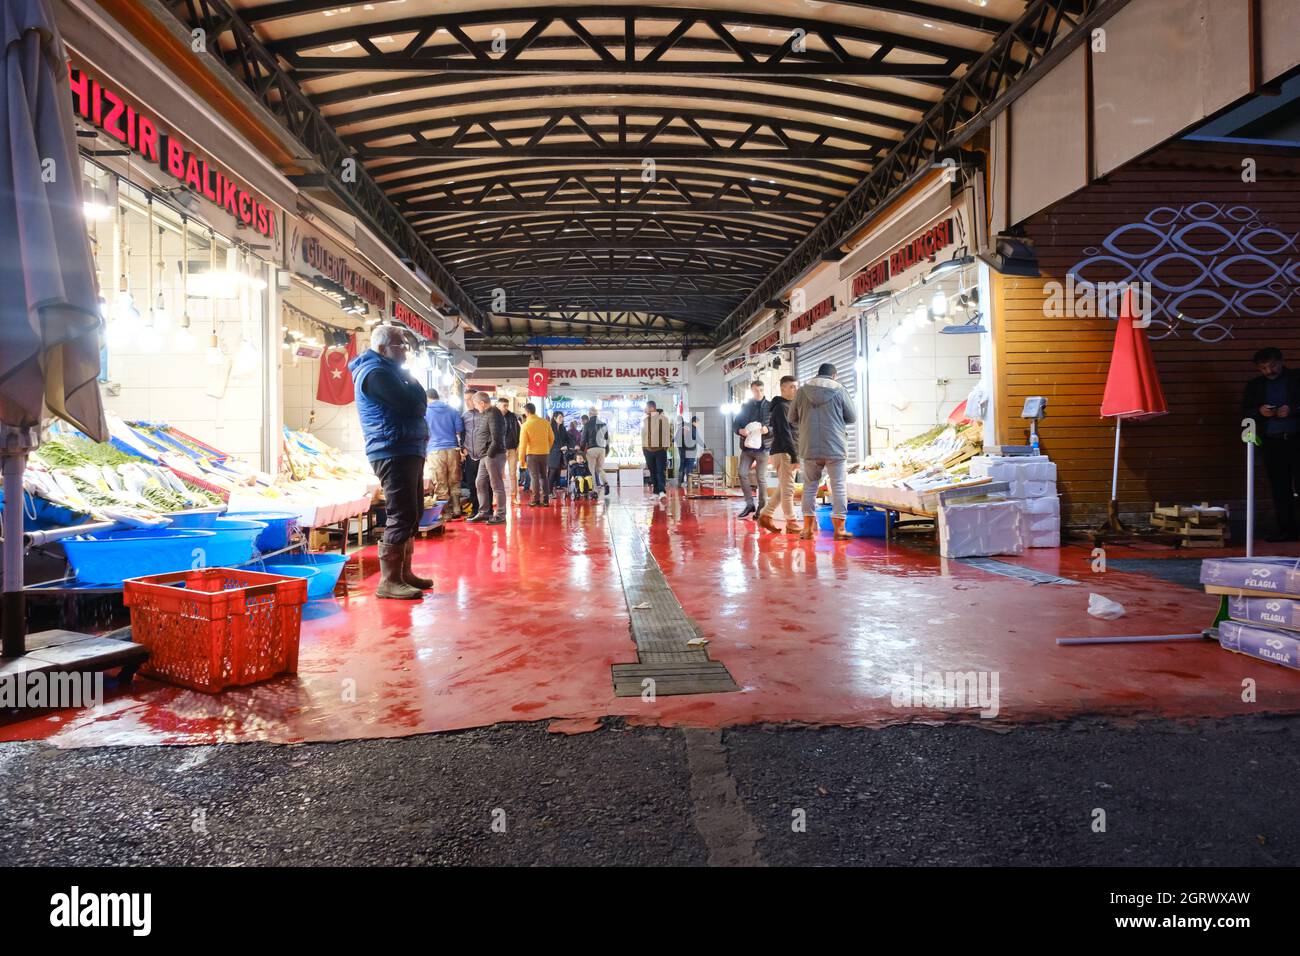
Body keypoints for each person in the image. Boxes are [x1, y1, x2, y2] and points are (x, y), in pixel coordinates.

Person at [348, 326, 431, 599]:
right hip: (392, 449)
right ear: (383, 348)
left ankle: (403, 573)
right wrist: (415, 387)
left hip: (406, 448)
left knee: (413, 512)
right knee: (401, 514)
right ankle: (389, 581)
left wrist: (413, 389)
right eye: (400, 346)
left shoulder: (389, 371)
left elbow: (415, 403)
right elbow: (414, 406)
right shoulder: (376, 374)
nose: (405, 351)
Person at [789, 362, 857, 541]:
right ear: (834, 376)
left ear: (817, 374)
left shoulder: (802, 391)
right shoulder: (840, 389)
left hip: (809, 446)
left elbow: (791, 418)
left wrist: (807, 422)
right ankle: (839, 530)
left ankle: (808, 530)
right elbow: (852, 417)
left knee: (810, 487)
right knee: (838, 487)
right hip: (835, 446)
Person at [1244, 347, 1300, 541]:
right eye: (1264, 368)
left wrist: (1292, 409)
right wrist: (1260, 412)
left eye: (1273, 365)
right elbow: (1245, 414)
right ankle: (1286, 529)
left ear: (1281, 361)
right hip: (1272, 443)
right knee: (1279, 488)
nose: (1269, 371)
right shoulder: (1255, 386)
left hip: (1296, 438)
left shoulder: (1296, 379)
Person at [758, 376, 800, 534]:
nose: (795, 390)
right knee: (788, 489)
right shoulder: (781, 407)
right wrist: (795, 456)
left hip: (788, 451)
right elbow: (784, 434)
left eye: (796, 387)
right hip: (784, 452)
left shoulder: (791, 405)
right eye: (791, 387)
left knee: (783, 488)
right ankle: (791, 522)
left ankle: (766, 515)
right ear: (782, 389)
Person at [424, 388, 464, 520]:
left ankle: (445, 513)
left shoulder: (425, 412)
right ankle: (457, 508)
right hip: (453, 449)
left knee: (440, 482)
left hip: (435, 451)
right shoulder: (452, 410)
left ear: (427, 398)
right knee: (454, 479)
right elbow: (459, 430)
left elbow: (424, 433)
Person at [734, 380, 772, 519]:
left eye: (761, 390)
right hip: (747, 448)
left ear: (763, 390)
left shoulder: (770, 406)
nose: (758, 393)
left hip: (763, 449)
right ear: (751, 391)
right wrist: (740, 430)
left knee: (760, 478)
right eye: (755, 390)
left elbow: (777, 426)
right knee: (742, 473)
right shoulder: (745, 407)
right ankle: (749, 504)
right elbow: (735, 423)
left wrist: (768, 429)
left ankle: (762, 508)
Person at [467, 393, 507, 525]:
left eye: (477, 405)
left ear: (482, 403)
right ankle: (484, 511)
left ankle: (501, 514)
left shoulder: (493, 414)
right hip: (486, 455)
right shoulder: (488, 413)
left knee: (496, 485)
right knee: (480, 482)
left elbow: (497, 438)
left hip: (493, 455)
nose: (477, 408)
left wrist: (489, 454)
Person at [518, 403, 555, 505]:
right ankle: (546, 499)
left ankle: (536, 500)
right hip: (545, 453)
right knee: (544, 476)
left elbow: (523, 444)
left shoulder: (525, 425)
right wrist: (547, 448)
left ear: (527, 412)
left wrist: (521, 460)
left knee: (534, 477)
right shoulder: (545, 422)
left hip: (532, 455)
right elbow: (552, 438)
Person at [641, 401, 672, 498]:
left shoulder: (663, 419)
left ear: (652, 408)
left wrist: (665, 447)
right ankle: (655, 491)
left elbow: (668, 433)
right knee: (652, 471)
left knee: (660, 471)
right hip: (647, 450)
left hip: (660, 450)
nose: (645, 410)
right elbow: (643, 434)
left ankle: (662, 491)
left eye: (646, 408)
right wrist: (644, 447)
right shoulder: (645, 420)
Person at [460, 391, 482, 518]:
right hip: (469, 456)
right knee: (472, 484)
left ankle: (487, 509)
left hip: (483, 456)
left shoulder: (484, 415)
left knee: (484, 484)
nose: (467, 402)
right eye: (465, 399)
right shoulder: (464, 417)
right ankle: (475, 510)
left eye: (469, 399)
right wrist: (463, 448)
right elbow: (462, 435)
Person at [581, 406, 611, 497]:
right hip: (601, 449)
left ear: (590, 414)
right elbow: (606, 438)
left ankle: (594, 491)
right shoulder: (603, 424)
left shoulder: (587, 425)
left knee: (592, 470)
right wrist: (606, 449)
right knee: (600, 468)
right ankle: (606, 483)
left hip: (591, 449)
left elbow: (584, 439)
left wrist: (581, 451)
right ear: (597, 414)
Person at [497, 397, 520, 504]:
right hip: (499, 450)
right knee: (497, 474)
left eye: (507, 406)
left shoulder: (512, 416)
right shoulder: (494, 415)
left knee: (513, 474)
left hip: (511, 448)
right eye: (504, 406)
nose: (506, 408)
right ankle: (496, 497)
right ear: (498, 405)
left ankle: (514, 496)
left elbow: (518, 431)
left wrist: (518, 445)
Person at [675, 414, 704, 488]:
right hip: (690, 451)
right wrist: (704, 446)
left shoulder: (683, 426)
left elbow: (676, 438)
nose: (698, 424)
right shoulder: (693, 428)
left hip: (682, 449)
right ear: (694, 422)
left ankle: (680, 482)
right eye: (697, 423)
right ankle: (689, 483)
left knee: (682, 465)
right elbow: (697, 438)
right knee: (689, 466)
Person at [548, 410, 569, 501]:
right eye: (560, 417)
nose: (562, 419)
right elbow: (549, 441)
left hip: (560, 453)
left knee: (557, 471)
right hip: (552, 452)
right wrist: (558, 447)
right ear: (555, 418)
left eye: (562, 417)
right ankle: (549, 492)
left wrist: (567, 446)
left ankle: (554, 488)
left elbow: (566, 439)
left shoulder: (562, 428)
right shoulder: (550, 428)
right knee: (552, 472)